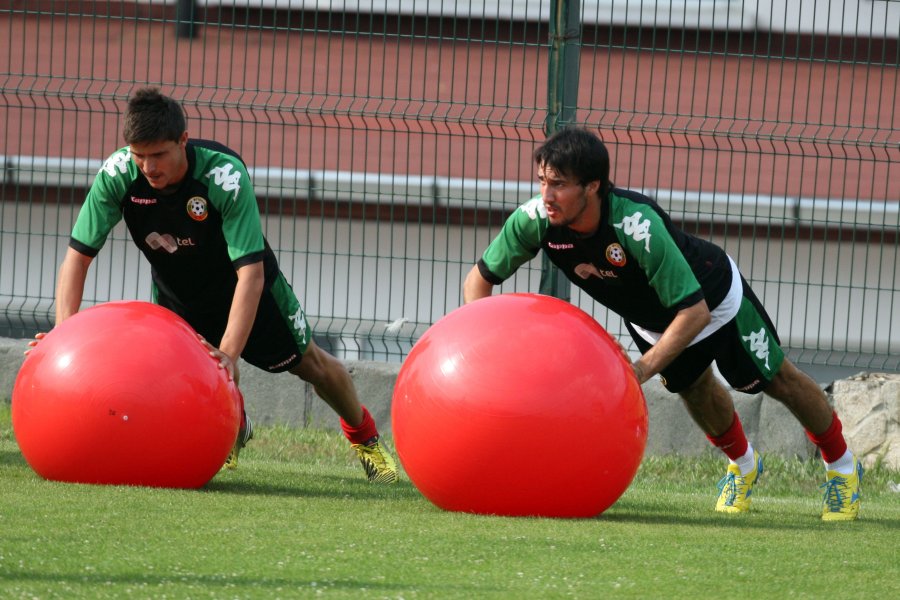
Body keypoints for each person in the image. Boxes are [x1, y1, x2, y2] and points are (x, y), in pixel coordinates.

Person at [463, 126, 862, 520]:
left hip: (716, 302)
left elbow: (695, 312)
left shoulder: (637, 224)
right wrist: (487, 350)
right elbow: (478, 281)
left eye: (559, 184)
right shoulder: (533, 220)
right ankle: (743, 465)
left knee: (778, 381)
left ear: (593, 187)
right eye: (541, 181)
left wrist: (639, 370)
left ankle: (842, 468)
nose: (546, 196)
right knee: (695, 391)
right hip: (651, 321)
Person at [44, 87, 398, 484]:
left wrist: (229, 354)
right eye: (138, 154)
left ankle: (366, 440)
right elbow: (77, 257)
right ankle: (230, 432)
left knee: (312, 366)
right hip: (179, 297)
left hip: (249, 290)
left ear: (183, 140)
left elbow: (251, 273)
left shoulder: (224, 176)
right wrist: (63, 337)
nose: (148, 167)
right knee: (182, 379)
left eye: (158, 154)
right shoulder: (117, 174)